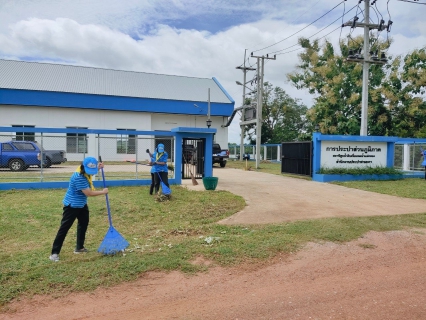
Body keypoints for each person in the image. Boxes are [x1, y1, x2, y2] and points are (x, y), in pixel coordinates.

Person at [49, 156, 108, 262]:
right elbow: (89, 193)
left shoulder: (82, 170)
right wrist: (103, 192)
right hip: (72, 206)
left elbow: (90, 171)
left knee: (83, 224)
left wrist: (98, 168)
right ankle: (54, 253)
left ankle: (79, 248)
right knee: (64, 228)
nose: (92, 173)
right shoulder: (78, 177)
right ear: (83, 167)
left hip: (82, 204)